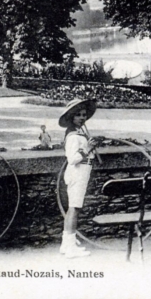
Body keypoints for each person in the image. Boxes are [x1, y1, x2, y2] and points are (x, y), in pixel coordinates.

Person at [59, 98, 99, 258]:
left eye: (84, 115)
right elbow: (72, 159)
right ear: (71, 118)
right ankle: (69, 247)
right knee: (74, 208)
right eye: (78, 115)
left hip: (83, 171)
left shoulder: (80, 133)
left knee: (75, 207)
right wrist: (86, 148)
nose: (82, 118)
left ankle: (67, 243)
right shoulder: (72, 136)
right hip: (77, 172)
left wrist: (91, 147)